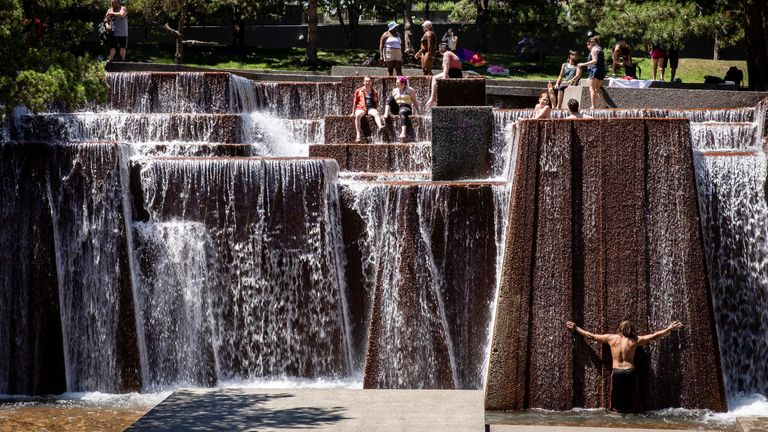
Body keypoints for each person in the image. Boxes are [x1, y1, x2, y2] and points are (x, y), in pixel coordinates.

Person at [565, 319, 683, 412]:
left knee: (616, 402)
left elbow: (592, 336)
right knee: (631, 400)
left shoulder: (611, 338)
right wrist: (668, 329)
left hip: (617, 372)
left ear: (619, 329)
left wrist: (576, 328)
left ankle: (618, 418)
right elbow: (654, 336)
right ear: (631, 330)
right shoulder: (635, 340)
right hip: (630, 371)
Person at [425, 42, 463, 107]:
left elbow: (446, 66)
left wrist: (444, 78)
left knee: (434, 78)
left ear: (441, 50)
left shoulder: (446, 53)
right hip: (458, 73)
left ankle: (432, 98)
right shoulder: (453, 54)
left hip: (452, 73)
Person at [383, 76, 420, 142]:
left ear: (403, 83)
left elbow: (415, 101)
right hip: (396, 108)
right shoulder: (394, 90)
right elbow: (391, 101)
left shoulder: (410, 90)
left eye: (398, 83)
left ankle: (403, 133)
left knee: (402, 112)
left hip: (406, 108)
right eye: (396, 83)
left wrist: (419, 112)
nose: (396, 84)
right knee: (390, 98)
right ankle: (386, 113)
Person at [351, 76, 385, 143]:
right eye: (366, 81)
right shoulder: (358, 91)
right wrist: (353, 112)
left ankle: (380, 126)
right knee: (357, 115)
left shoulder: (375, 92)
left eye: (369, 81)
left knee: (376, 113)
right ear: (363, 82)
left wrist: (375, 108)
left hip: (370, 108)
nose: (367, 82)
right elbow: (355, 102)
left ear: (371, 82)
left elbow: (376, 102)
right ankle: (358, 135)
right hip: (361, 108)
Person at [577, 36, 605, 110]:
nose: (589, 45)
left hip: (595, 71)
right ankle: (603, 104)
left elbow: (595, 61)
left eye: (590, 43)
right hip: (601, 71)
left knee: (591, 88)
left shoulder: (594, 50)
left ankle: (593, 106)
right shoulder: (600, 49)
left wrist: (583, 64)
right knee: (597, 89)